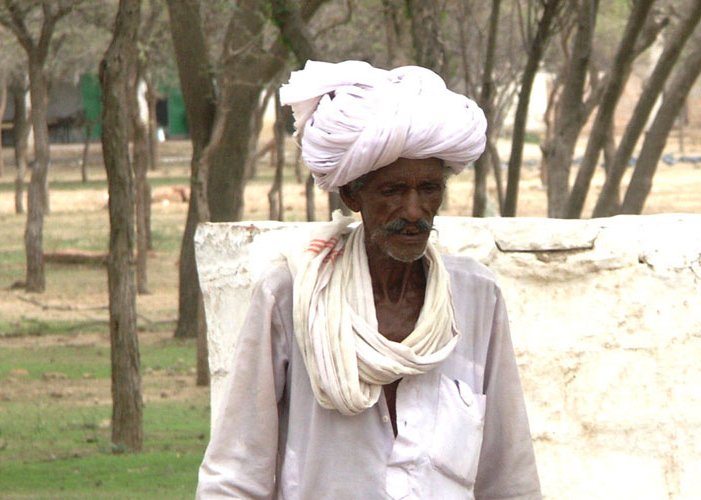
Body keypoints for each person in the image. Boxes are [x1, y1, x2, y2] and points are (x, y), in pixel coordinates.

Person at [195, 60, 542, 500]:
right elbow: (236, 472)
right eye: (394, 191)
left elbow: (508, 473)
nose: (415, 211)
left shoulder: (476, 299)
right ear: (352, 194)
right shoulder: (292, 295)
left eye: (429, 189)